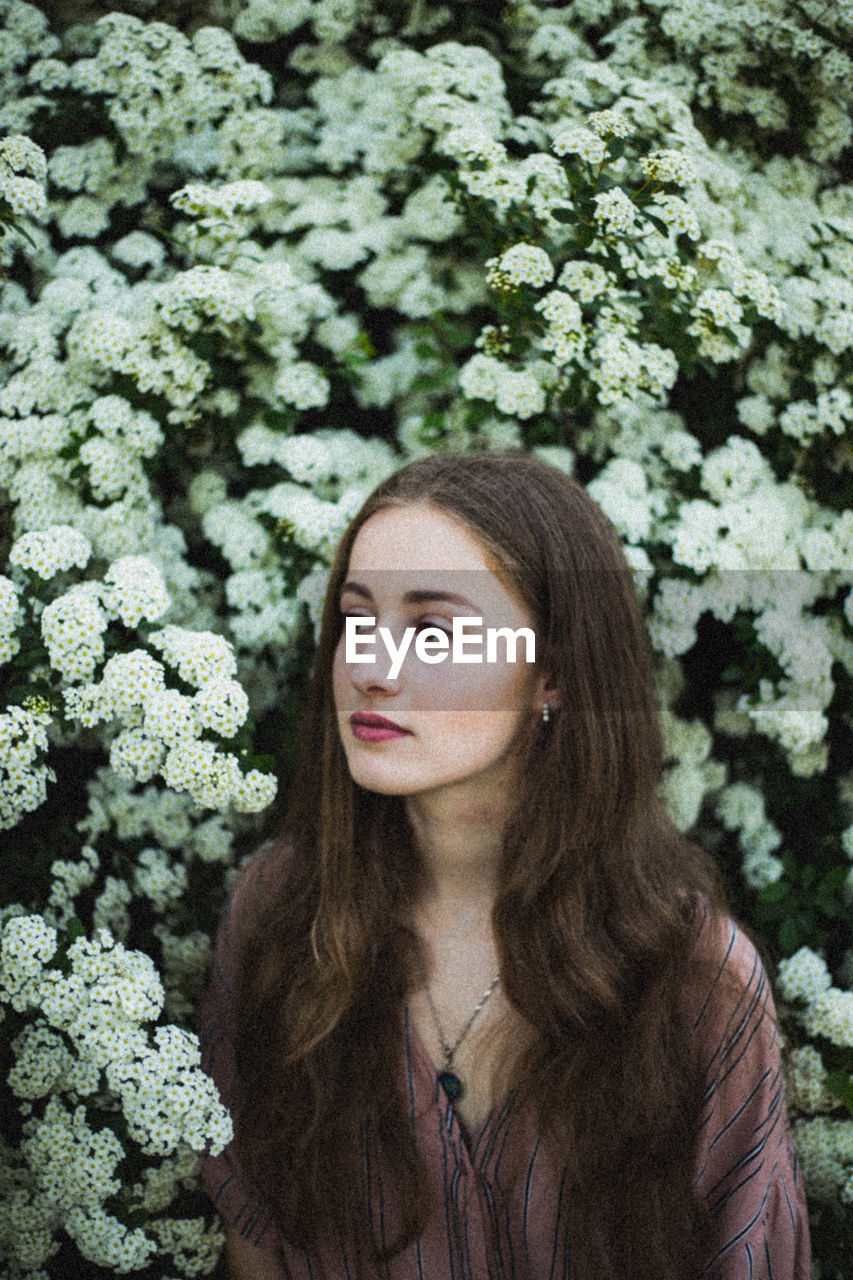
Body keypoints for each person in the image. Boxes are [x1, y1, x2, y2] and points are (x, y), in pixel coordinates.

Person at [197, 450, 812, 1280]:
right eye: (356, 619)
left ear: (550, 672)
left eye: (432, 630)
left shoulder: (692, 975)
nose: (373, 670)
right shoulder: (279, 914)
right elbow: (254, 1235)